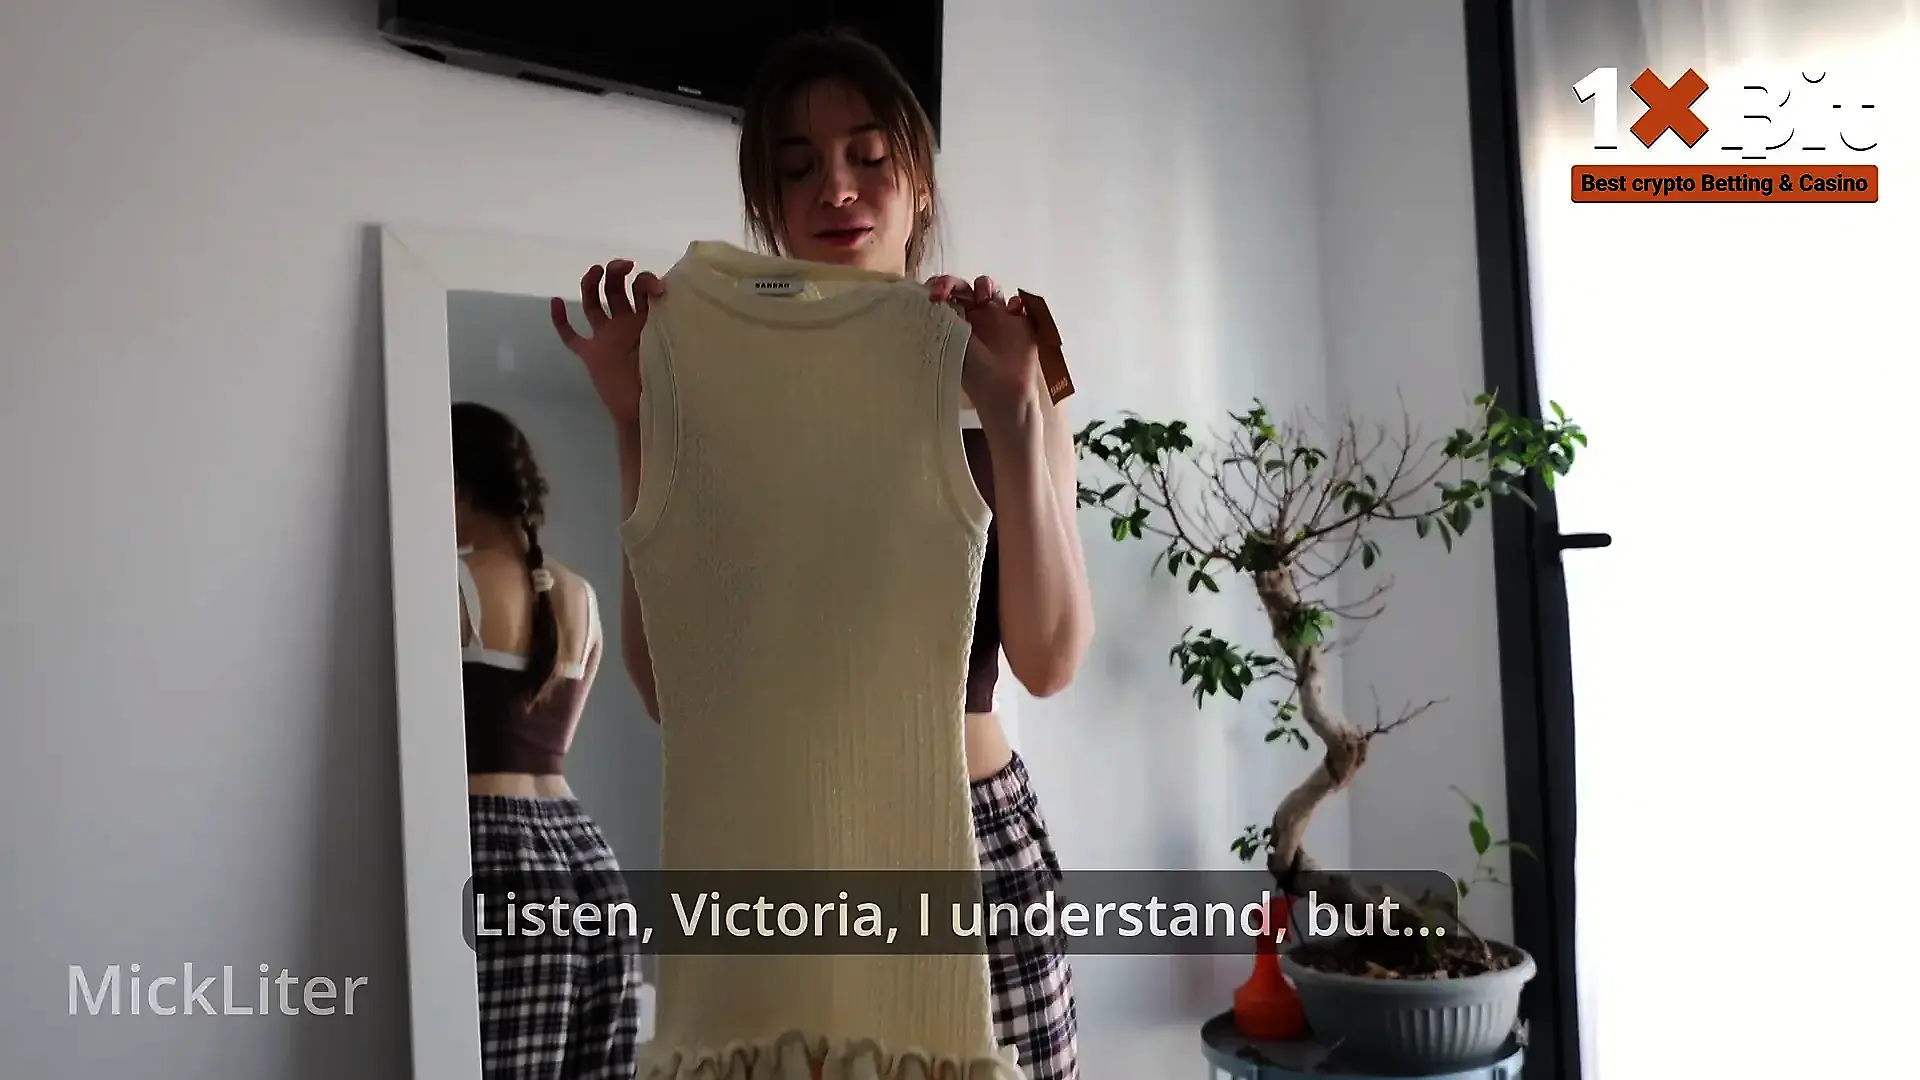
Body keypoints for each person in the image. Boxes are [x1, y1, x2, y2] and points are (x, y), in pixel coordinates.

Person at [547, 30, 1095, 1080]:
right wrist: (635, 421)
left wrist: (1016, 411)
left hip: (969, 840)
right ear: (767, 205)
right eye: (796, 169)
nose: (835, 188)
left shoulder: (1002, 356)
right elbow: (668, 687)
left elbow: (1051, 657)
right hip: (785, 846)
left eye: (868, 156)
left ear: (919, 179)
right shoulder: (721, 388)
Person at [451, 401, 644, 1080]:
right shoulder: (580, 594)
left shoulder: (452, 582)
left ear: (459, 487)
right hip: (586, 857)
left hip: (498, 853)